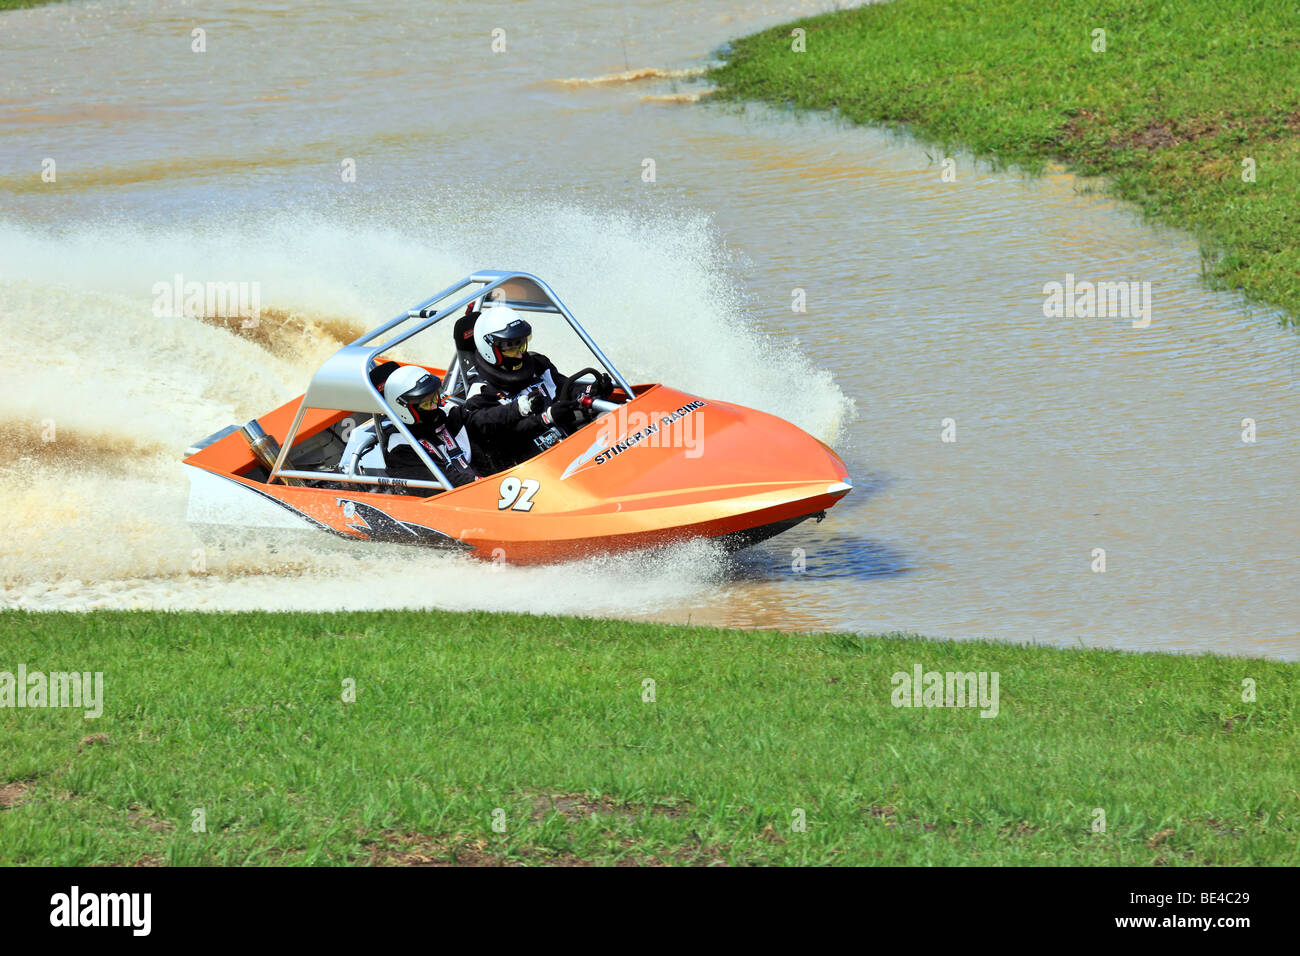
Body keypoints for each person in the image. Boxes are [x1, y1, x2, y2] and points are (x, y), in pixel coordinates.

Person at [462, 302, 611, 473]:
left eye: (521, 344)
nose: (519, 354)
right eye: (510, 348)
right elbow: (501, 438)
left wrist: (591, 390)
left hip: (568, 444)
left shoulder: (538, 365)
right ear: (490, 349)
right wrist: (546, 418)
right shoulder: (480, 393)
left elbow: (565, 388)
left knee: (610, 419)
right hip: (528, 467)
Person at [377, 363, 477, 488]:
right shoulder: (400, 450)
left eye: (434, 398)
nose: (434, 406)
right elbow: (448, 484)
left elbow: (485, 418)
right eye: (425, 403)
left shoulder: (448, 413)